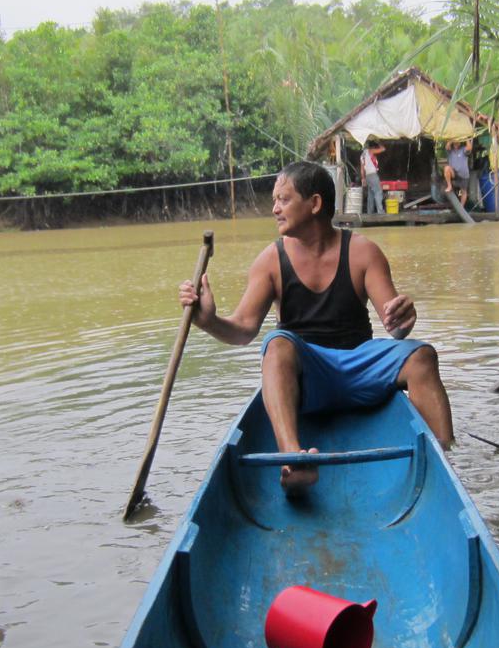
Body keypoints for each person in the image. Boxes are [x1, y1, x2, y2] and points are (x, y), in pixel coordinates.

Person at [178, 161, 454, 494]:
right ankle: (294, 461)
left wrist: (405, 320)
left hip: (359, 366)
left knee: (422, 356)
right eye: (275, 200)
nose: (275, 208)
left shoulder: (362, 252)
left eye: (284, 199)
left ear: (315, 204)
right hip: (309, 378)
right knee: (277, 343)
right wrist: (208, 320)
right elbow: (244, 330)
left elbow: (394, 329)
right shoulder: (270, 260)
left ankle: (446, 466)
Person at [443, 138, 472, 208]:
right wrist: (453, 139)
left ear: (460, 143)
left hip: (464, 175)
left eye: (458, 142)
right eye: (455, 143)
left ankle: (461, 207)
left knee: (463, 192)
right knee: (446, 168)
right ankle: (449, 186)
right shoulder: (450, 151)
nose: (456, 143)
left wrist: (465, 138)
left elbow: (469, 147)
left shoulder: (463, 149)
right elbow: (447, 146)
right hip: (455, 174)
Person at [360, 139, 385, 215]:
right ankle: (380, 212)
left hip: (367, 176)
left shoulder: (362, 155)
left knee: (371, 195)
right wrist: (379, 142)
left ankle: (369, 212)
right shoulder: (370, 151)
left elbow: (362, 169)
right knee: (378, 192)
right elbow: (383, 149)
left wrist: (363, 178)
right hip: (373, 175)